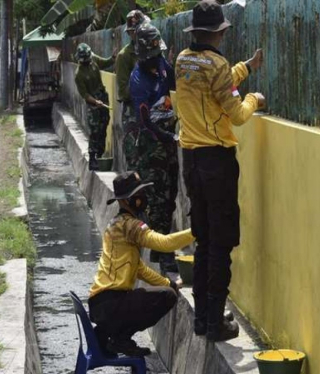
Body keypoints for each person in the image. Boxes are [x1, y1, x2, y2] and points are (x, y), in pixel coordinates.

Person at [175, 0, 266, 342]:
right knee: (221, 243)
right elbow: (237, 113)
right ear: (219, 33)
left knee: (203, 240)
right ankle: (216, 323)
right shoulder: (217, 65)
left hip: (191, 161)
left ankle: (202, 319)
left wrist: (246, 67)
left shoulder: (183, 61)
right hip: (217, 162)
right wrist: (254, 98)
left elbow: (217, 82)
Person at [88, 171, 194, 357]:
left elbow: (140, 269)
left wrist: (168, 283)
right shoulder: (130, 226)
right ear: (127, 200)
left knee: (167, 290)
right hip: (111, 303)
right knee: (167, 297)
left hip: (100, 305)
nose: (143, 199)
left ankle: (106, 334)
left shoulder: (117, 224)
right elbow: (165, 243)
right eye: (139, 195)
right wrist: (197, 231)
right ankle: (120, 339)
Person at [126, 23, 180, 274]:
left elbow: (176, 84)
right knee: (157, 200)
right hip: (151, 145)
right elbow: (145, 122)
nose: (156, 60)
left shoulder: (162, 67)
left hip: (168, 140)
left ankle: (161, 248)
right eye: (153, 57)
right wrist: (167, 137)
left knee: (171, 196)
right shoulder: (138, 81)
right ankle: (164, 253)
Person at [74, 43, 116, 171]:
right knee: (94, 129)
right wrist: (95, 101)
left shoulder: (94, 59)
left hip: (102, 97)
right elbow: (84, 94)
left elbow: (105, 63)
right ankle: (92, 158)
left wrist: (113, 57)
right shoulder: (79, 74)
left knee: (104, 125)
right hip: (92, 103)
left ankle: (100, 154)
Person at [116, 10, 148, 136]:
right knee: (133, 152)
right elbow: (123, 91)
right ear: (131, 33)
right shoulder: (124, 56)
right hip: (133, 112)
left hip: (152, 110)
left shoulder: (153, 50)